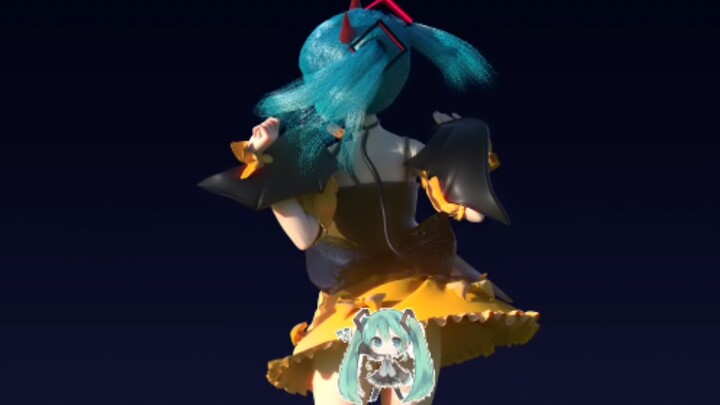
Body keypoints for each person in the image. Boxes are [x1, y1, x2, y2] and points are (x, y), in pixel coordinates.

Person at [200, 2, 539, 404]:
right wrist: (463, 149)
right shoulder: (402, 150)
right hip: (398, 297)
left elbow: (304, 237)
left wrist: (270, 173)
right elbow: (473, 212)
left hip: (372, 300)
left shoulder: (326, 160)